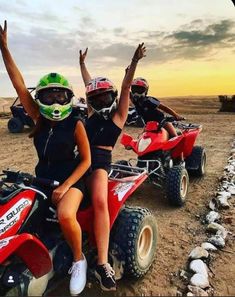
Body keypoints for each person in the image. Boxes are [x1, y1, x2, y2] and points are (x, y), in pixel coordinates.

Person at [0, 21, 91, 296]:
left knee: (64, 214)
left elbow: (86, 161)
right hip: (42, 178)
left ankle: (78, 260)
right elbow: (18, 84)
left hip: (74, 181)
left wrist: (65, 187)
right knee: (15, 205)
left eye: (59, 94)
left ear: (67, 97)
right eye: (48, 94)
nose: (54, 100)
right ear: (40, 98)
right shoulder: (38, 119)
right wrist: (4, 48)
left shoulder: (76, 123)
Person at [79, 44, 146, 291]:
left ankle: (102, 262)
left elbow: (127, 86)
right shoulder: (90, 111)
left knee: (99, 200)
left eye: (105, 97)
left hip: (99, 162)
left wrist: (134, 61)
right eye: (95, 98)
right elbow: (89, 86)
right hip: (79, 159)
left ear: (114, 97)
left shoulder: (119, 116)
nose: (100, 101)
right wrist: (82, 65)